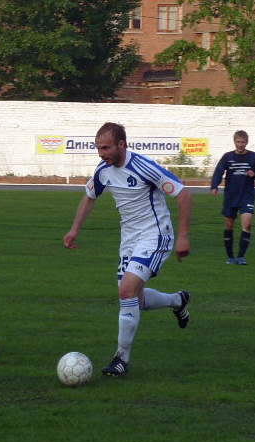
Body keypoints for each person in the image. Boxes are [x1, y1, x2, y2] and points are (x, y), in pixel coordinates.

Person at [63, 122, 192, 377]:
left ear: (122, 144)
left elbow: (183, 194)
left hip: (156, 235)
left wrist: (183, 237)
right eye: (98, 148)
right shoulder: (103, 170)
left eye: (106, 148)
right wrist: (74, 229)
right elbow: (89, 196)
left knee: (126, 291)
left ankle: (121, 359)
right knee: (134, 300)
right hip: (129, 240)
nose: (101, 153)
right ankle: (178, 300)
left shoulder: (143, 166)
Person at [211, 130, 255, 265]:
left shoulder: (253, 157)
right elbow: (219, 171)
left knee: (247, 224)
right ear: (234, 142)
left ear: (247, 142)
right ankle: (230, 257)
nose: (240, 145)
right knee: (229, 226)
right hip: (231, 196)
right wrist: (214, 186)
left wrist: (254, 174)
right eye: (238, 142)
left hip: (247, 195)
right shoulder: (227, 157)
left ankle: (241, 257)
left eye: (243, 142)